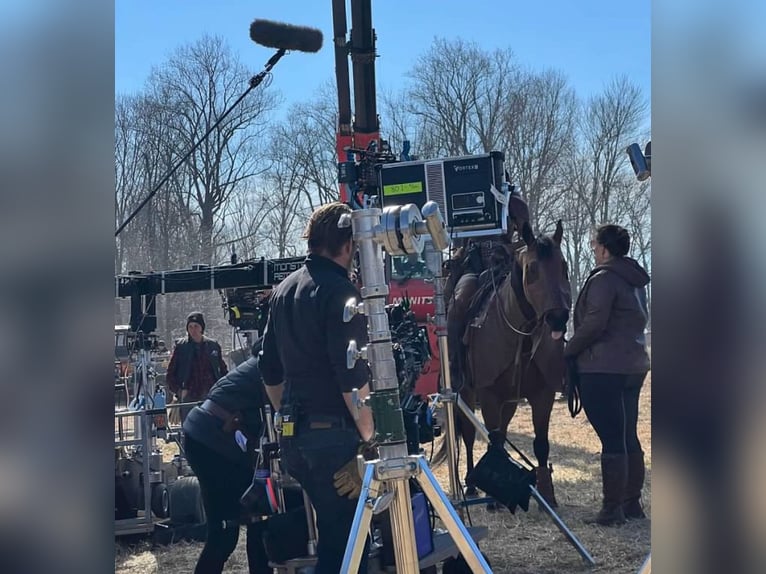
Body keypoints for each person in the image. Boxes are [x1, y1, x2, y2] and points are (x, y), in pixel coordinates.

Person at [259, 202, 375, 574]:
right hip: (335, 442)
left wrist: (286, 416)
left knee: (335, 534)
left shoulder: (284, 290)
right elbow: (351, 376)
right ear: (347, 244)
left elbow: (268, 368)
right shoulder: (340, 291)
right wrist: (371, 442)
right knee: (346, 545)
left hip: (295, 440)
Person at [563, 224, 651, 526]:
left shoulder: (604, 279)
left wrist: (569, 349)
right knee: (627, 434)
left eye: (593, 244)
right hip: (634, 364)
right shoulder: (634, 279)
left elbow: (594, 323)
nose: (591, 248)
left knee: (612, 437)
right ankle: (631, 503)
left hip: (603, 367)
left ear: (604, 248)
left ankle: (612, 510)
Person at [182, 339, 281, 574]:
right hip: (214, 443)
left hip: (204, 437)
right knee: (233, 528)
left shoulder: (259, 363)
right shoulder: (272, 365)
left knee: (245, 522)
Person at [165, 312, 228, 423]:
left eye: (196, 326)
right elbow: (170, 374)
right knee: (190, 429)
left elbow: (223, 372)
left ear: (202, 328)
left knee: (211, 427)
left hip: (210, 394)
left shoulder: (213, 346)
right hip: (189, 396)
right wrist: (179, 391)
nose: (193, 330)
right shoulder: (181, 347)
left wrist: (222, 390)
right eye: (190, 327)